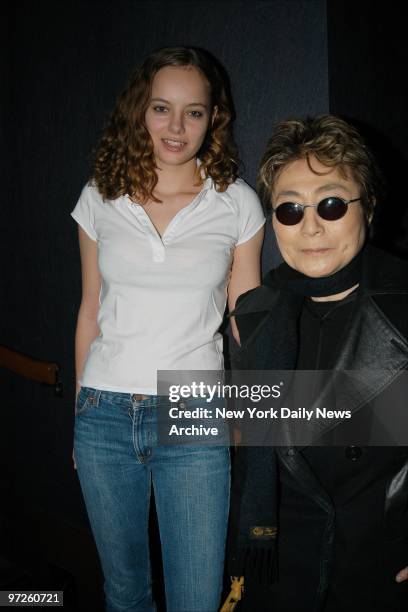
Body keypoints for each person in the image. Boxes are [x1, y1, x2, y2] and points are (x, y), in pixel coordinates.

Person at [71, 47, 265, 612]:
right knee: (125, 592)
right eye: (162, 108)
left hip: (193, 409)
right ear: (140, 111)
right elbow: (89, 309)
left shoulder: (236, 204)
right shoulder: (98, 196)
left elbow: (242, 323)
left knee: (197, 600)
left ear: (213, 119)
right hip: (103, 413)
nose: (176, 127)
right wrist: (79, 414)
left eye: (194, 112)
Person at [228, 116, 408, 612]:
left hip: (373, 572)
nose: (310, 226)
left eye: (331, 204)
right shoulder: (255, 314)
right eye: (290, 209)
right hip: (279, 570)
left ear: (367, 207)